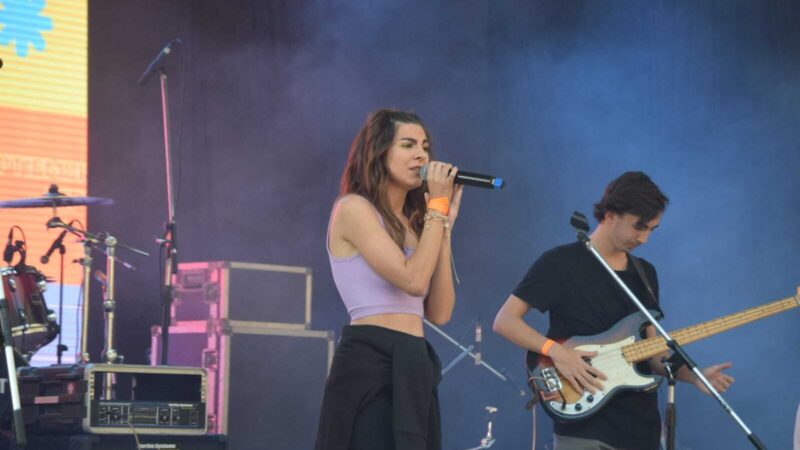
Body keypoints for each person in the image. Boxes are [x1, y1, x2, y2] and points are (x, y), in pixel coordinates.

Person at [493, 171, 734, 450]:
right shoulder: (560, 263)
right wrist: (557, 352)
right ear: (610, 215)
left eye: (651, 230)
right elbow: (505, 321)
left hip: (642, 430)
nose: (643, 238)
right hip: (585, 429)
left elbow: (654, 352)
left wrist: (694, 376)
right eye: (638, 227)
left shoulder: (645, 273)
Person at [315, 109, 464, 450]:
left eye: (425, 147)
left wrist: (443, 229)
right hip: (370, 358)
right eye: (408, 145)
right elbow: (413, 281)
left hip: (413, 362)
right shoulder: (353, 209)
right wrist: (436, 210)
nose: (421, 155)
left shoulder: (417, 223)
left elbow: (440, 312)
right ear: (379, 153)